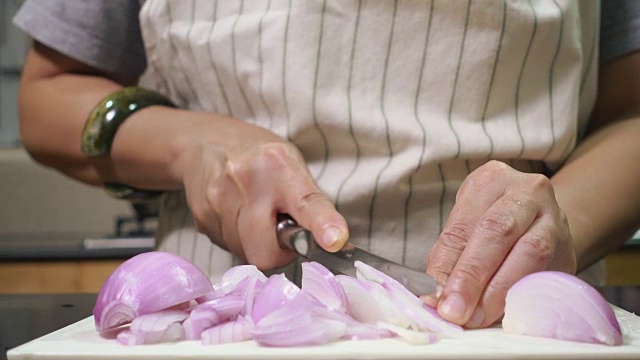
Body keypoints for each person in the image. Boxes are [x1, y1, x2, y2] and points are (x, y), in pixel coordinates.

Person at [12, 0, 640, 330]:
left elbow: (629, 115)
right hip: (221, 323)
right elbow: (48, 97)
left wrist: (560, 223)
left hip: (506, 324)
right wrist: (187, 143)